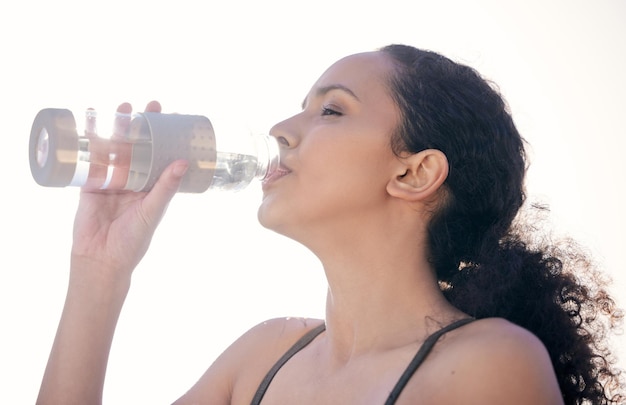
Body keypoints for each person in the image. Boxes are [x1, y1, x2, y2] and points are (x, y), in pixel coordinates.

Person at [36, 44, 624, 404]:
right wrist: (99, 271)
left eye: (332, 109)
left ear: (415, 172)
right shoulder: (259, 361)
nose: (281, 129)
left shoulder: (490, 365)